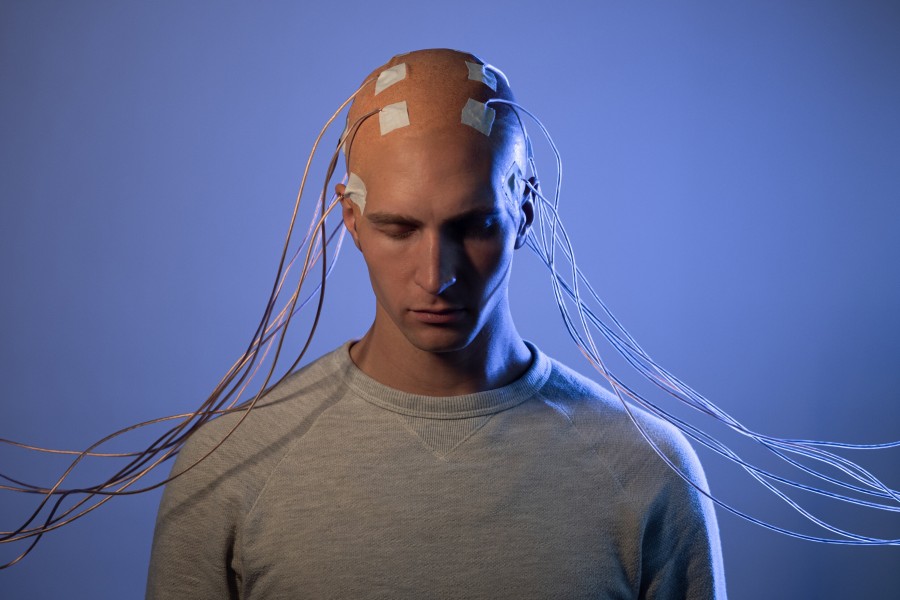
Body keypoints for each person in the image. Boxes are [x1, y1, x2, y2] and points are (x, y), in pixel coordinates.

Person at [146, 48, 726, 599]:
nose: (435, 275)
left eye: (472, 226)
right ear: (351, 219)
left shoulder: (645, 469)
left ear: (523, 212)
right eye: (399, 229)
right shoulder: (229, 468)